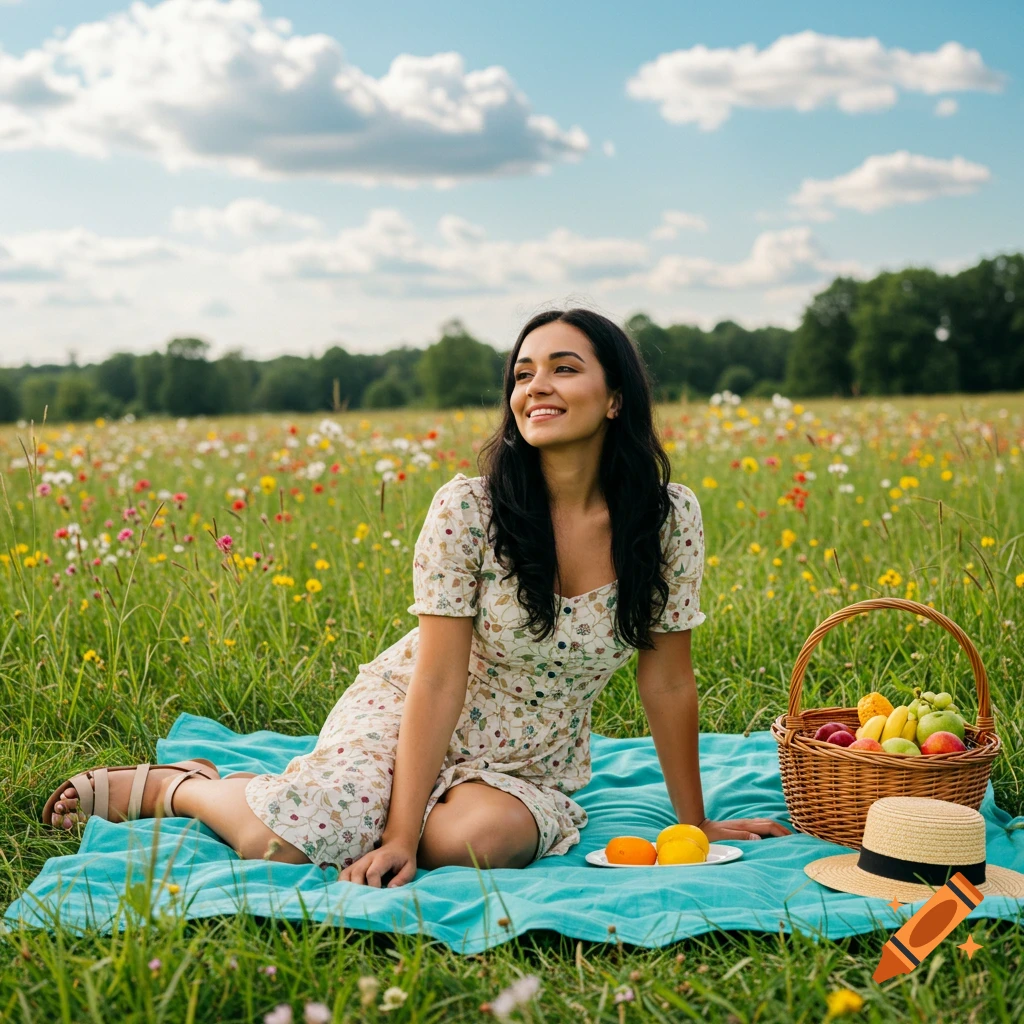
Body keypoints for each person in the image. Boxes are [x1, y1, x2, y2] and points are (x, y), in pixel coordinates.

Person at [42, 307, 790, 887]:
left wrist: (696, 825)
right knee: (288, 844)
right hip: (410, 708)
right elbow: (437, 677)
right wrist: (397, 836)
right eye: (524, 373)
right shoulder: (470, 508)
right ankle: (187, 789)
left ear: (616, 398)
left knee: (474, 844)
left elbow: (667, 679)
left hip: (529, 758)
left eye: (564, 369)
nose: (538, 387)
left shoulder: (665, 518)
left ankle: (394, 813)